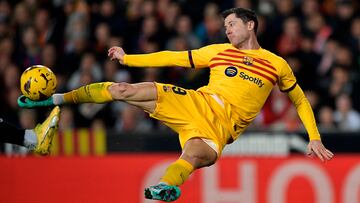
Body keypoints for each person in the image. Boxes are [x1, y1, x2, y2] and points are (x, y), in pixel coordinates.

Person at [17, 8, 334, 202]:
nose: (227, 30)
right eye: (226, 27)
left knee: (194, 157)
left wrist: (314, 135)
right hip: (196, 102)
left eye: (232, 25)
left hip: (221, 127)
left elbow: (300, 99)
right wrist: (130, 58)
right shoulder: (219, 51)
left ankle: (165, 188)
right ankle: (55, 98)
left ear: (251, 25)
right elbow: (173, 57)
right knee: (124, 88)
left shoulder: (276, 64)